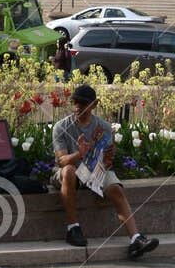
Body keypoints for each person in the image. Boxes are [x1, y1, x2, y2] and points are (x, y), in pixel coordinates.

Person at [52, 83, 159, 259]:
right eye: (76, 102)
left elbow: (108, 161)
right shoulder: (61, 127)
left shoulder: (104, 127)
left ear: (94, 105)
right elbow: (61, 160)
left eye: (84, 103)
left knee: (115, 188)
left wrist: (104, 161)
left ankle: (136, 239)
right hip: (70, 171)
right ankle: (73, 228)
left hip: (95, 170)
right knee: (69, 171)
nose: (78, 106)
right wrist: (80, 153)